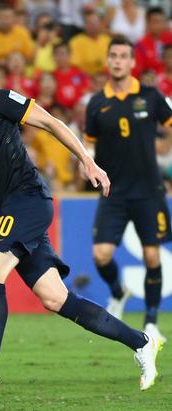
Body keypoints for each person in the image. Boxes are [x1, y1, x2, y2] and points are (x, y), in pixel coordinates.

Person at [0, 47, 160, 394]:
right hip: (8, 209)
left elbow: (50, 122)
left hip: (28, 198)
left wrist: (86, 161)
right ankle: (141, 342)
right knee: (55, 298)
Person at [84, 36, 172, 343]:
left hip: (149, 191)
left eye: (124, 56)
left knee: (152, 257)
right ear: (108, 61)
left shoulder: (150, 96)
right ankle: (118, 292)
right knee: (101, 255)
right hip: (114, 192)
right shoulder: (97, 104)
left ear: (133, 62)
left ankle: (150, 321)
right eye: (114, 56)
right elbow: (91, 147)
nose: (118, 61)